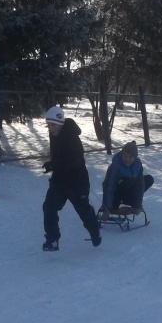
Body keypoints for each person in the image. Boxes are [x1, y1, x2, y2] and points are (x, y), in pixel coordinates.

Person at [42, 106, 101, 251]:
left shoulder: (72, 137)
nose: (50, 128)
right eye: (48, 125)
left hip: (77, 181)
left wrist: (54, 164)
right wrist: (52, 164)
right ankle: (53, 239)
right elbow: (58, 158)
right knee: (49, 206)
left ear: (61, 123)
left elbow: (75, 161)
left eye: (53, 125)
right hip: (59, 181)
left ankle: (94, 231)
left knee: (83, 210)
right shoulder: (54, 135)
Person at [101, 141, 153, 215]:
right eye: (125, 156)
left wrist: (137, 205)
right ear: (122, 155)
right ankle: (114, 206)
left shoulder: (137, 166)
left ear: (135, 158)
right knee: (125, 181)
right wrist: (106, 207)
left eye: (130, 157)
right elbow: (109, 187)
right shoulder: (115, 166)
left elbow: (140, 185)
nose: (127, 159)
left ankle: (132, 203)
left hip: (128, 192)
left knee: (148, 179)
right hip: (116, 194)